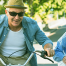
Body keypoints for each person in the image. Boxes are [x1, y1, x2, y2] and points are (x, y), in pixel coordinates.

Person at [0, 0, 54, 66]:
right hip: (1, 59)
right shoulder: (0, 22)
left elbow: (45, 40)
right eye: (13, 14)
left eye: (20, 14)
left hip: (23, 59)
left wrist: (48, 48)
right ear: (6, 12)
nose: (17, 18)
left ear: (24, 13)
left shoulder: (31, 24)